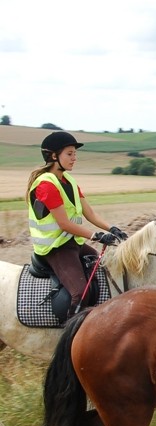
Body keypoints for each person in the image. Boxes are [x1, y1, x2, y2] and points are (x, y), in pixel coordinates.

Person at [27, 131, 127, 317]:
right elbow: (64, 223)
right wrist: (96, 236)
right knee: (80, 293)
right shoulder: (46, 185)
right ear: (54, 156)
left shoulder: (69, 181)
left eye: (75, 154)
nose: (74, 158)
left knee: (104, 272)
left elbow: (90, 213)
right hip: (55, 247)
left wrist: (112, 229)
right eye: (70, 154)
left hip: (73, 243)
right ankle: (69, 337)